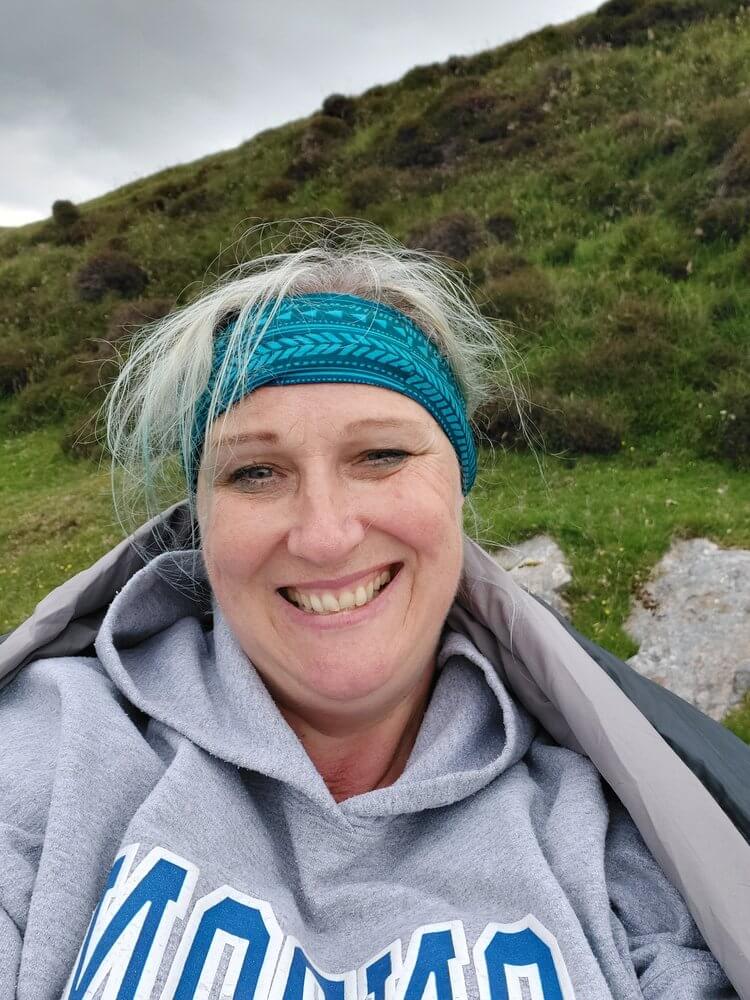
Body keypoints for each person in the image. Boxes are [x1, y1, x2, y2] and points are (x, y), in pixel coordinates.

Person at [0, 219, 748, 999]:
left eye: (381, 456)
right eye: (255, 472)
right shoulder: (48, 751)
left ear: (458, 482)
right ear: (201, 516)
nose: (325, 536)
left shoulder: (611, 841)